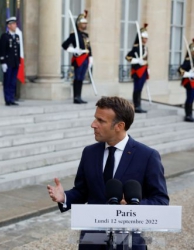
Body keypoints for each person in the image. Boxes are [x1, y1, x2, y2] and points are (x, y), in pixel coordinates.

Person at [47, 96, 169, 250]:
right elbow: (82, 191)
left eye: (101, 121)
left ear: (119, 125)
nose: (93, 125)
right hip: (91, 242)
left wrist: (132, 207)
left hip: (128, 242)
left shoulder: (147, 156)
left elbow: (160, 201)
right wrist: (64, 197)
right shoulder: (89, 152)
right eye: (95, 119)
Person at [62, 10, 93, 104]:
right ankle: (76, 97)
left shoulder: (85, 35)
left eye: (86, 23)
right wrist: (74, 50)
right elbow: (64, 45)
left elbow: (89, 47)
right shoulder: (73, 34)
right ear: (79, 24)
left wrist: (91, 58)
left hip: (86, 58)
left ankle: (79, 96)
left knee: (82, 78)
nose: (85, 25)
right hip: (79, 59)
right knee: (77, 77)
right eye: (83, 23)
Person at [125, 23, 149, 113]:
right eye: (144, 38)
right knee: (137, 88)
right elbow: (127, 57)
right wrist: (136, 61)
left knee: (140, 89)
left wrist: (147, 67)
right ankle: (136, 105)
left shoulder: (145, 48)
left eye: (146, 38)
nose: (146, 40)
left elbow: (146, 59)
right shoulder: (136, 48)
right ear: (141, 38)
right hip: (138, 71)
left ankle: (139, 105)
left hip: (143, 70)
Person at [0, 16, 20, 106]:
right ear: (9, 26)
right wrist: (3, 62)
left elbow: (18, 50)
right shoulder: (5, 36)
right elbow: (2, 50)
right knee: (7, 81)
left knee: (13, 82)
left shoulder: (17, 36)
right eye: (14, 24)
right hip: (8, 63)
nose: (15, 25)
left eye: (15, 24)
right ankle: (7, 99)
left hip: (15, 62)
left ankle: (12, 98)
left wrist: (18, 61)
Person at [178, 38, 194, 122]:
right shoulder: (188, 61)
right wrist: (189, 74)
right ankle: (188, 114)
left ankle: (190, 113)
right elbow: (180, 70)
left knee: (192, 99)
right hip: (189, 82)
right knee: (189, 98)